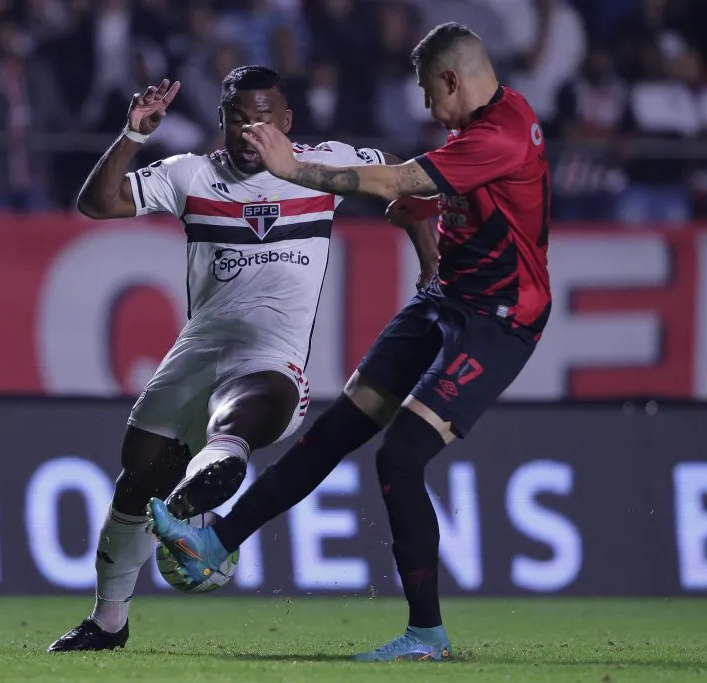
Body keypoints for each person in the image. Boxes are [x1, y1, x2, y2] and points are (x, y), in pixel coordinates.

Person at [149, 23, 552, 663]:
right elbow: (436, 197)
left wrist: (293, 168)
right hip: (446, 298)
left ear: (450, 79)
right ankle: (216, 542)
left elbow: (397, 184)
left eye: (427, 92)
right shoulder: (487, 120)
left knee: (400, 459)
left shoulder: (496, 134)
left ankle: (427, 636)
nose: (426, 107)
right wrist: (431, 235)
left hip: (498, 318)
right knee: (340, 427)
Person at [48, 66, 439, 652]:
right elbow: (98, 204)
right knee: (135, 483)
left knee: (245, 407)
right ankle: (108, 622)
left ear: (286, 122)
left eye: (261, 119)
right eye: (237, 119)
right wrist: (133, 135)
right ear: (222, 120)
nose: (248, 131)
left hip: (272, 358)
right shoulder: (191, 173)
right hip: (197, 352)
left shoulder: (325, 164)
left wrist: (431, 263)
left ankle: (216, 468)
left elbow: (414, 185)